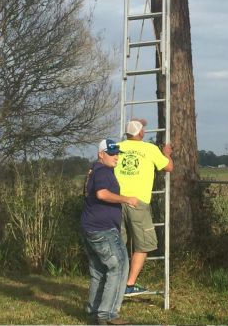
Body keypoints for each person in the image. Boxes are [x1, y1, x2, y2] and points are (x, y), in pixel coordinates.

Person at [81, 138, 139, 326]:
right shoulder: (103, 171)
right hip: (103, 229)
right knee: (119, 268)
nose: (116, 157)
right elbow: (102, 194)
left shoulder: (94, 171)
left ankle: (94, 312)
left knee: (98, 271)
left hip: (90, 227)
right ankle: (108, 316)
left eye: (117, 153)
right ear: (101, 154)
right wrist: (126, 199)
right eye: (112, 153)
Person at [114, 118, 173, 297]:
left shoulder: (116, 146)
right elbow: (169, 167)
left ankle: (114, 283)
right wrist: (167, 153)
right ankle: (129, 284)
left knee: (117, 244)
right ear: (140, 133)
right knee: (145, 244)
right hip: (137, 203)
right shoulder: (149, 149)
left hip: (115, 202)